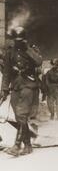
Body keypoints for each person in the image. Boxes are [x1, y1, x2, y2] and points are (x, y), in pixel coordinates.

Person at [0, 26, 43, 156]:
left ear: (24, 39)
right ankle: (28, 145)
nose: (18, 42)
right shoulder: (9, 53)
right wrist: (4, 89)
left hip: (29, 85)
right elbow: (6, 73)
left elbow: (38, 62)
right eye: (16, 40)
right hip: (16, 87)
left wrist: (27, 49)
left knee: (21, 114)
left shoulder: (30, 50)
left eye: (21, 40)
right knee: (19, 117)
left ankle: (17, 145)